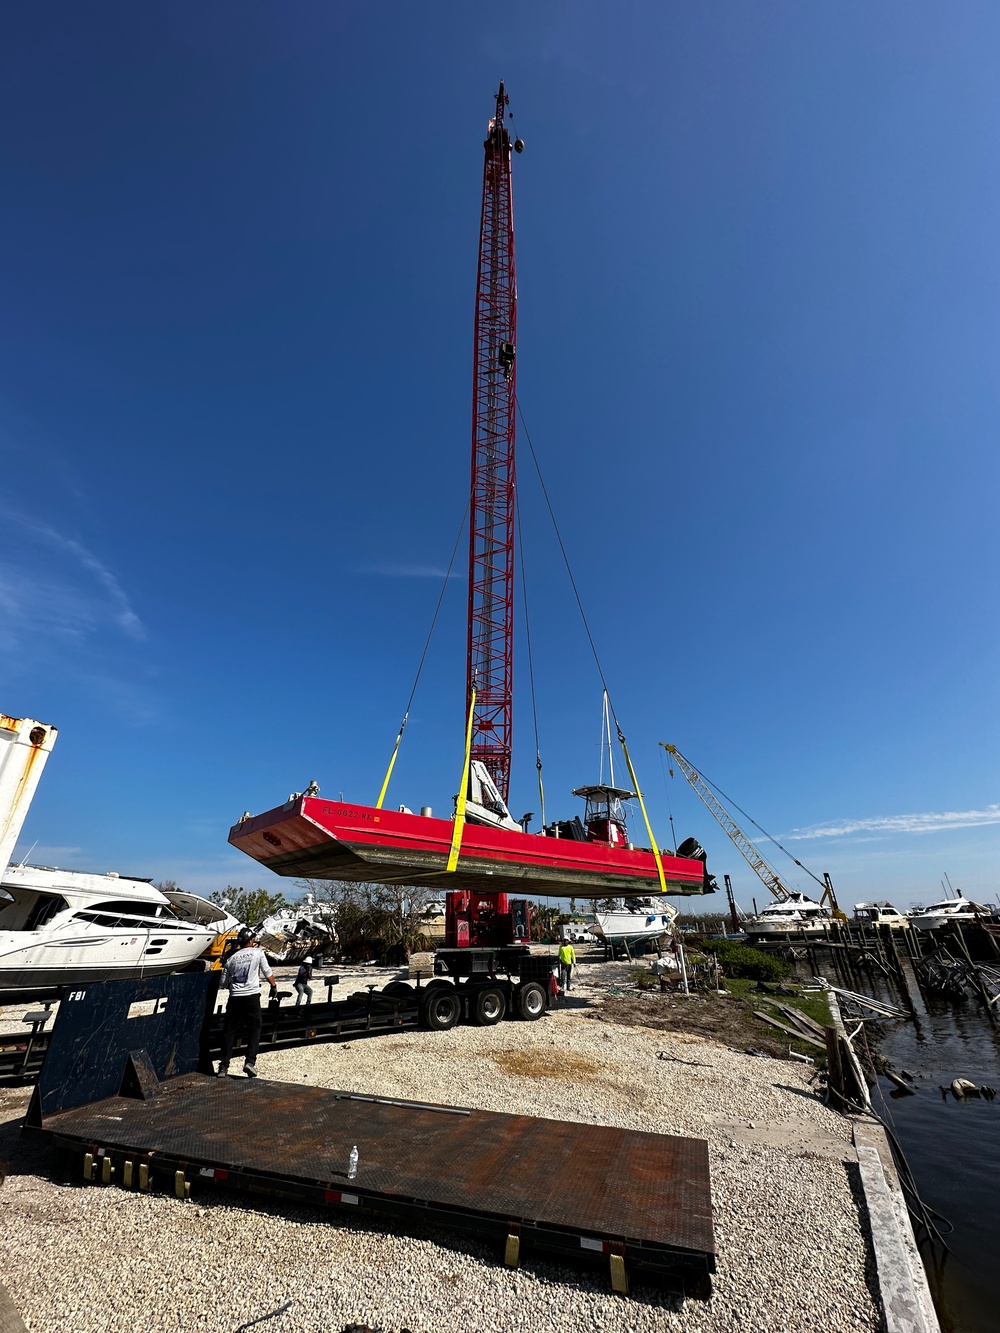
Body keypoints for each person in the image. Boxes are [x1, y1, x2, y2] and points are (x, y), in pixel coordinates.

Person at [218, 926, 277, 1078]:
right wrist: (274, 986)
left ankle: (223, 1067)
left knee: (229, 1032)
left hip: (235, 998)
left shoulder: (231, 959)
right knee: (254, 1028)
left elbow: (223, 983)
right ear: (251, 941)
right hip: (251, 996)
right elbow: (267, 971)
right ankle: (250, 1062)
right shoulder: (258, 953)